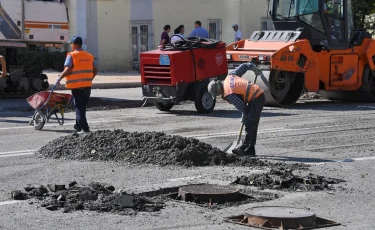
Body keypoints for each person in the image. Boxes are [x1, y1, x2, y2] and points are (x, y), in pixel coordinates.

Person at [207, 62, 265, 156]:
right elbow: (245, 66)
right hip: (257, 95)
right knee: (253, 123)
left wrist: (245, 116)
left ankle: (243, 148)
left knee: (250, 123)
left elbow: (242, 107)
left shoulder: (228, 93)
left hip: (256, 97)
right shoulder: (230, 77)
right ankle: (251, 149)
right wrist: (253, 67)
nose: (219, 95)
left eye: (217, 94)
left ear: (218, 89)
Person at [56, 36, 97, 135]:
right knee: (82, 107)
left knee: (79, 108)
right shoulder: (89, 56)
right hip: (87, 86)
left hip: (77, 87)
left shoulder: (72, 55)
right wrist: (89, 79)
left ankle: (85, 129)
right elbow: (95, 70)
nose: (71, 45)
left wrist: (59, 78)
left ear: (74, 45)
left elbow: (68, 70)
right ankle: (78, 127)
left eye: (71, 44)